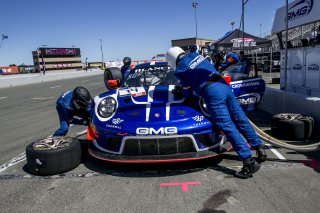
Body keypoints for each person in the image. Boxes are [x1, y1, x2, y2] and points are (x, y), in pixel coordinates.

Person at [166, 46, 267, 179]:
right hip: (224, 87)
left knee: (228, 126)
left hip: (213, 93)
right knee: (240, 118)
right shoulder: (196, 55)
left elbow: (188, 91)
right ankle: (260, 149)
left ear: (172, 60)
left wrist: (180, 90)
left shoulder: (180, 69)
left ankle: (248, 161)